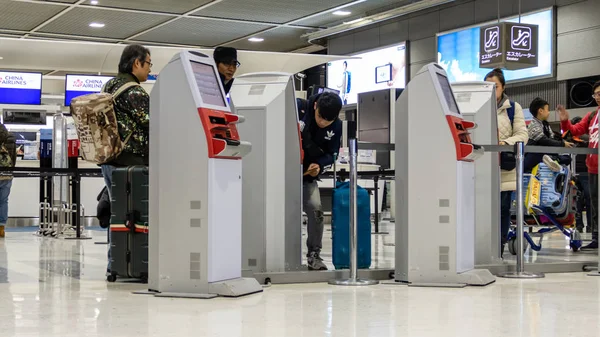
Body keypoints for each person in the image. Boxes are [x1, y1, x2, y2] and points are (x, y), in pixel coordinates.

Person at [101, 44, 151, 274]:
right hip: (131, 164)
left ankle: (116, 264)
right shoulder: (135, 91)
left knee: (117, 214)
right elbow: (152, 122)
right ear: (136, 63)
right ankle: (135, 263)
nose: (149, 69)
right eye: (148, 63)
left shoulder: (109, 85)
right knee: (135, 215)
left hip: (110, 159)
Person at [484, 68, 529, 258]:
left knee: (502, 208)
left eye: (495, 87)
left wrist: (505, 143)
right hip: (481, 167)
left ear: (503, 88)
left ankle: (499, 246)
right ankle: (481, 245)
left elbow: (522, 134)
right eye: (487, 87)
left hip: (504, 168)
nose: (491, 91)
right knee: (481, 207)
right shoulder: (476, 107)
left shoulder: (513, 108)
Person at [300, 92, 343, 270]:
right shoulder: (298, 109)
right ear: (315, 105)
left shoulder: (337, 125)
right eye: (320, 117)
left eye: (328, 121)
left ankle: (314, 255)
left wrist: (319, 164)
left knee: (316, 210)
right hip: (283, 172)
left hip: (308, 175)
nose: (323, 123)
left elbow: (332, 154)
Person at [557, 80, 600, 249]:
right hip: (593, 167)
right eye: (596, 94)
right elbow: (573, 131)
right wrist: (565, 121)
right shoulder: (591, 116)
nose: (597, 97)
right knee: (595, 203)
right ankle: (597, 237)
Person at [525, 97, 573, 171]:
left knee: (567, 158)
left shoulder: (546, 124)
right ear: (541, 111)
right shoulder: (533, 124)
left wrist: (563, 141)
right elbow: (544, 140)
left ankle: (553, 159)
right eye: (547, 110)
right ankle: (552, 160)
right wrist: (562, 144)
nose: (549, 112)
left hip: (545, 152)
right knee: (536, 155)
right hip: (534, 155)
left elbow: (552, 138)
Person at [0, 125, 16, 238]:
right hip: (7, 175)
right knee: (3, 201)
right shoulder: (11, 137)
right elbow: (13, 157)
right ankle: (1, 228)